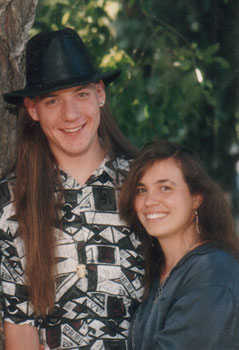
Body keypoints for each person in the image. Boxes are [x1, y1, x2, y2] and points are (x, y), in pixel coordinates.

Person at [0, 27, 144, 350]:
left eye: (81, 94)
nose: (71, 115)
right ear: (33, 109)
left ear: (100, 93)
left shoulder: (143, 186)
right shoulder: (10, 204)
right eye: (53, 101)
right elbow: (20, 331)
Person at [119, 140, 239, 349]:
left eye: (165, 188)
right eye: (141, 190)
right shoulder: (159, 271)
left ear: (196, 199)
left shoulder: (212, 271)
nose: (149, 201)